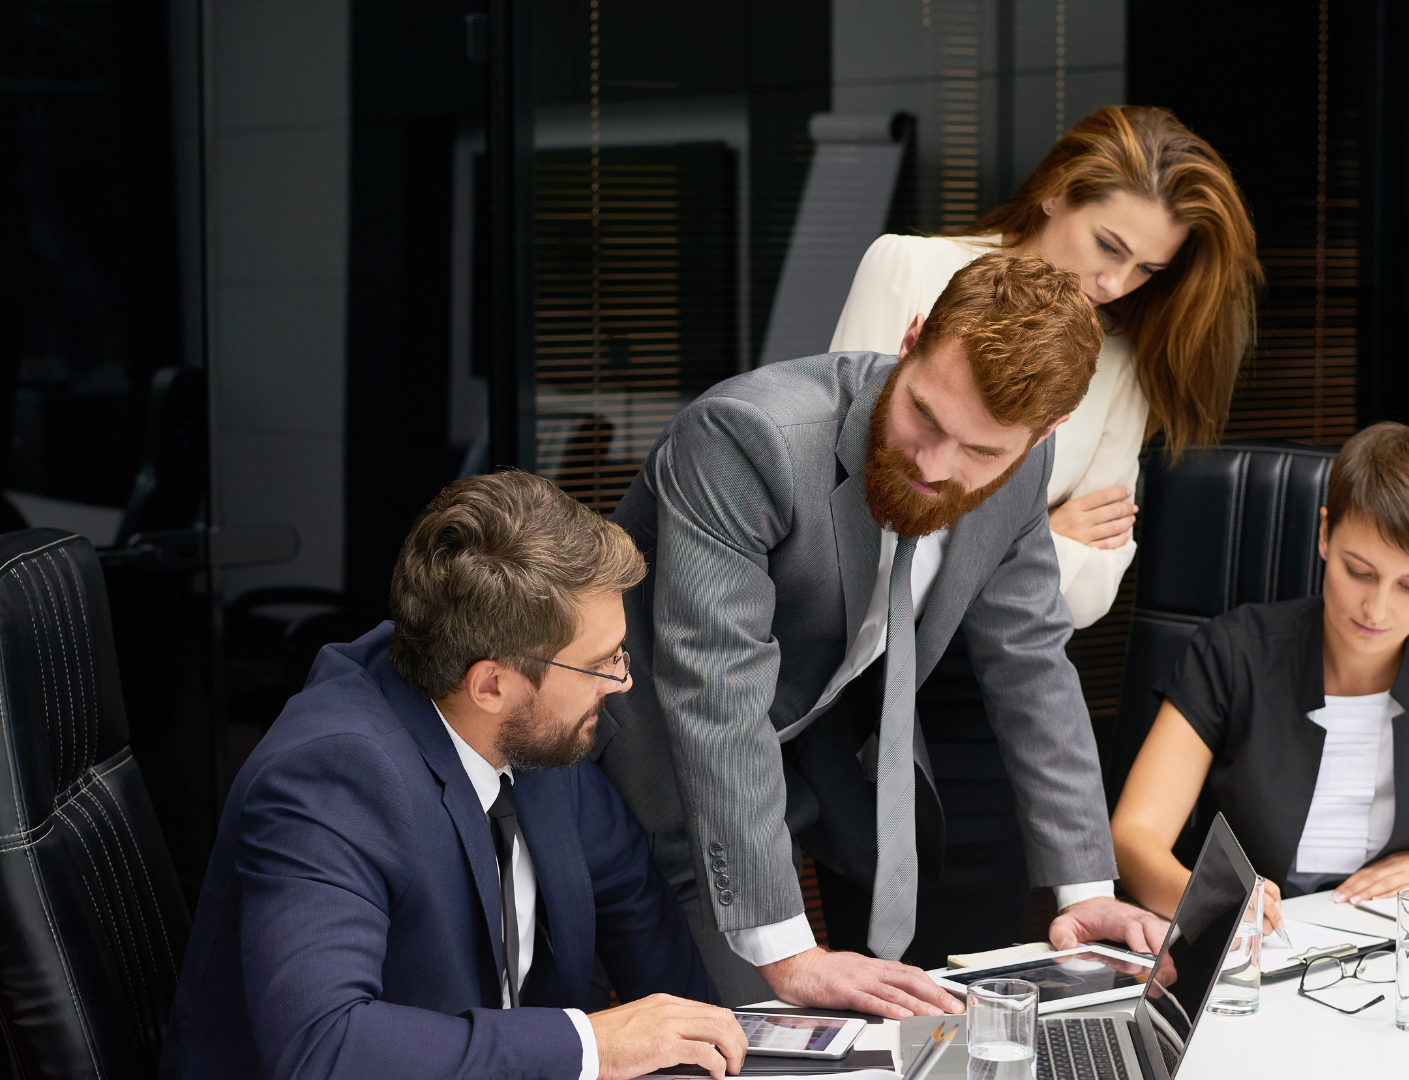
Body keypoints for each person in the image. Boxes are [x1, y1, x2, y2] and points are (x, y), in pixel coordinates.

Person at [598, 251, 1167, 1016]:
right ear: (910, 340)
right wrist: (789, 953)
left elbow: (1032, 664)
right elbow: (715, 690)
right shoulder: (747, 436)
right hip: (634, 756)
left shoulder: (1024, 471)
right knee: (736, 1034)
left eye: (981, 451)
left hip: (798, 761)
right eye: (924, 416)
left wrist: (1086, 890)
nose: (935, 464)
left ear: (1043, 436)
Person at [827, 104, 1260, 957]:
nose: (1117, 283)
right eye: (1109, 245)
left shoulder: (1119, 362)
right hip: (869, 675)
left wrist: (984, 535)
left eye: (1147, 268)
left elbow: (1088, 592)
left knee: (988, 964)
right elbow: (849, 495)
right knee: (876, 971)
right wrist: (1035, 532)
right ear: (1059, 192)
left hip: (998, 693)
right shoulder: (909, 270)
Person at [162, 472, 744, 1080]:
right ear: (490, 685)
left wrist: (717, 1052)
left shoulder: (533, 729)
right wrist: (590, 1046)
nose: (621, 683)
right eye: (601, 665)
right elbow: (324, 1046)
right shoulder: (330, 778)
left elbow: (631, 895)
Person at [1110, 423, 1409, 927]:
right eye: (1359, 571)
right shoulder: (1232, 653)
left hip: (1395, 939)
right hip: (1253, 943)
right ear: (1325, 534)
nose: (1376, 610)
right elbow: (1133, 837)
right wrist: (1211, 904)